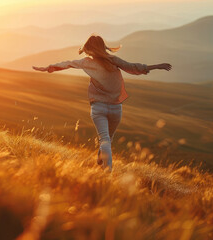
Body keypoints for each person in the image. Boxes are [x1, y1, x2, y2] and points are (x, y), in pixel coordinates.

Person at [33, 35, 171, 171]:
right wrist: (157, 66)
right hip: (116, 107)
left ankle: (105, 166)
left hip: (98, 106)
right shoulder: (113, 60)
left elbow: (68, 63)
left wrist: (50, 67)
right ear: (102, 47)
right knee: (107, 140)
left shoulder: (87, 62)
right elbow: (132, 67)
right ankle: (107, 171)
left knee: (105, 140)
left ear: (88, 48)